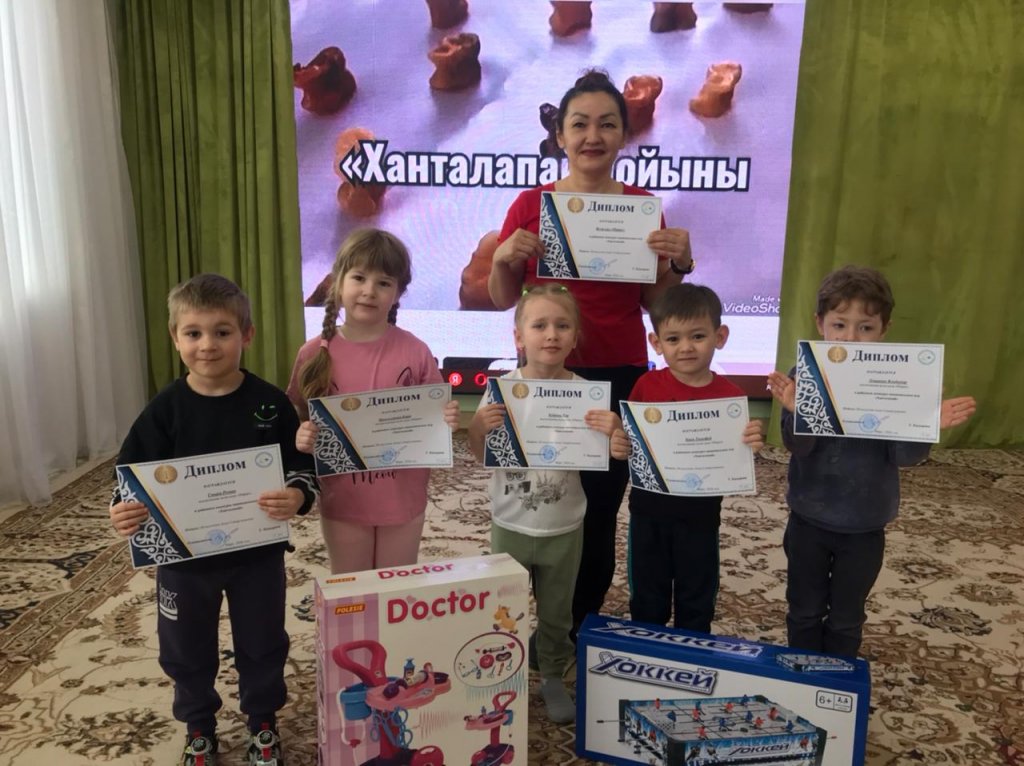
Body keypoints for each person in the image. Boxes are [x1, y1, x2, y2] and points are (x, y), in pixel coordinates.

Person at [487, 68, 695, 637]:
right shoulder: (531, 203)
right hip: (545, 376)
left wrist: (678, 263)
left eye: (606, 124)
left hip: (616, 375)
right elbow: (502, 297)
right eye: (579, 124)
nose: (592, 136)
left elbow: (656, 304)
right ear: (560, 136)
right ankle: (522, 623)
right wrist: (503, 257)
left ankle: (576, 626)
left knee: (597, 512)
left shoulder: (643, 208)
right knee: (534, 501)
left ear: (624, 135)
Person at [108, 274, 319, 766]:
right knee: (184, 647)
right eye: (193, 333)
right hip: (183, 561)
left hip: (257, 555)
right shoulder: (164, 409)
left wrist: (296, 494)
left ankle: (262, 721)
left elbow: (301, 466)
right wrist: (122, 509)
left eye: (222, 332)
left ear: (247, 335)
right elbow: (129, 475)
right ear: (175, 338)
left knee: (263, 641)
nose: (207, 345)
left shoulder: (270, 403)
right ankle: (199, 726)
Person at [767, 265, 977, 657]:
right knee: (804, 609)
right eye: (839, 325)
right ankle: (801, 675)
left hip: (865, 525)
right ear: (820, 324)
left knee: (847, 617)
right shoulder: (805, 376)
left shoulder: (900, 381)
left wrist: (924, 425)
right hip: (808, 519)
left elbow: (907, 457)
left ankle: (838, 680)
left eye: (865, 327)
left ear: (884, 330)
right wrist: (799, 411)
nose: (850, 337)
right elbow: (797, 446)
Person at [469, 284, 628, 723]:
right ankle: (501, 676)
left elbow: (611, 452)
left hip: (564, 526)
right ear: (519, 336)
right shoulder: (501, 390)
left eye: (562, 326)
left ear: (576, 337)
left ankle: (552, 676)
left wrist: (617, 434)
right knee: (503, 611)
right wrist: (478, 427)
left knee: (558, 614)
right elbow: (480, 453)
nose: (551, 334)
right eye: (539, 325)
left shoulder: (587, 394)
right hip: (510, 524)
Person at [288, 228, 459, 573]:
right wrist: (302, 435)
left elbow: (435, 417)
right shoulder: (313, 353)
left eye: (383, 282)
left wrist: (446, 420)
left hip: (402, 499)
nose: (369, 291)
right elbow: (298, 414)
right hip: (343, 501)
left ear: (398, 293)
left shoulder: (416, 351)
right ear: (338, 282)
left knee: (395, 589)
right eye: (359, 277)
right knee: (352, 589)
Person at [623, 283, 764, 632]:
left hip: (701, 515)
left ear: (720, 336)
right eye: (673, 339)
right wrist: (619, 443)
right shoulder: (645, 386)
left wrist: (751, 443)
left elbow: (736, 457)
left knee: (697, 596)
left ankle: (693, 653)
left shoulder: (731, 398)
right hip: (648, 511)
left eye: (698, 336)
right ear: (656, 343)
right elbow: (631, 442)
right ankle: (649, 652)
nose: (686, 347)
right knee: (647, 595)